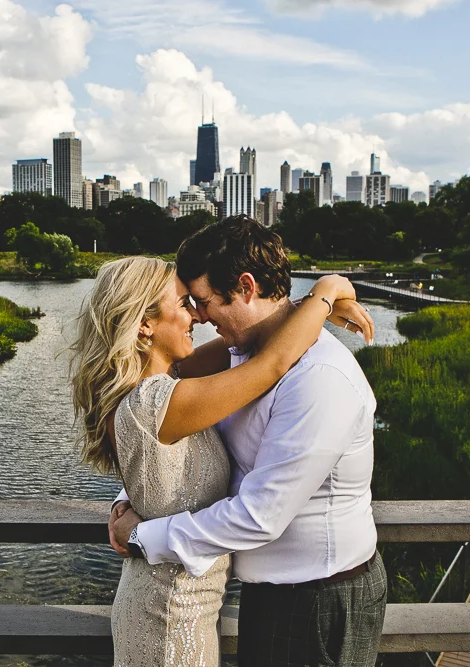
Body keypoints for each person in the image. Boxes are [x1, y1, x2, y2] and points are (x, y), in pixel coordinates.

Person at [68, 252, 371, 667]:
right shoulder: (157, 403)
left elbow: (263, 335)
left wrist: (297, 306)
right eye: (183, 304)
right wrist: (326, 290)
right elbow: (272, 363)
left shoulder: (171, 384)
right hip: (170, 614)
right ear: (144, 324)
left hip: (188, 604)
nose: (196, 315)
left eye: (198, 301)